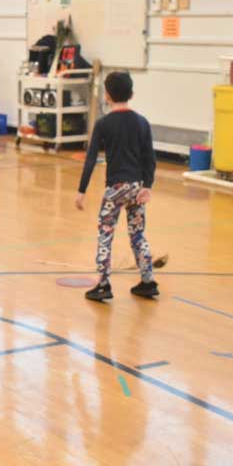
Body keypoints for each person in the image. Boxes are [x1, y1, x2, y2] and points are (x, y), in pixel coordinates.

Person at [75, 72, 158, 301]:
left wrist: (81, 191)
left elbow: (91, 159)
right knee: (138, 234)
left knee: (105, 233)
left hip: (115, 189)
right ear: (131, 94)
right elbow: (150, 159)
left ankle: (103, 285)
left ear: (107, 95)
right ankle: (148, 281)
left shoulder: (103, 124)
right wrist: (147, 186)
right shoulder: (142, 122)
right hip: (137, 188)